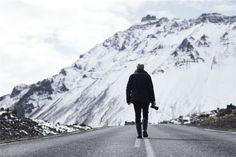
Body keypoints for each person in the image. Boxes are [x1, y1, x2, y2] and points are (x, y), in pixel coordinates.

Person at [126, 64, 158, 139]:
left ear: (136, 68)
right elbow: (151, 89)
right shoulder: (147, 76)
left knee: (137, 116)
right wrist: (153, 101)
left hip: (135, 99)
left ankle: (139, 134)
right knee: (145, 115)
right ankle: (144, 130)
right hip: (146, 99)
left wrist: (128, 99)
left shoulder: (132, 76)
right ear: (143, 69)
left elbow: (128, 89)